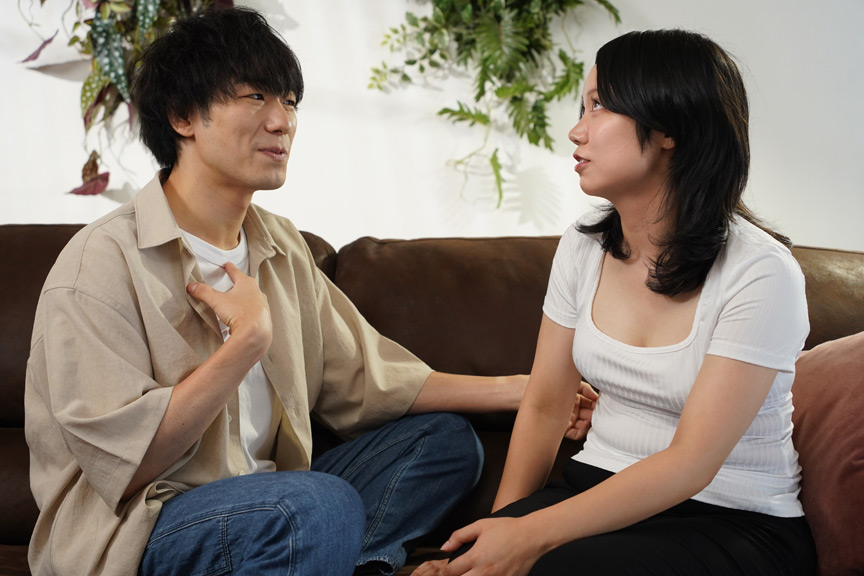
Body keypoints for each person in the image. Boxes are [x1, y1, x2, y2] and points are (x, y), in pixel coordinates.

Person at [24, 8, 597, 576]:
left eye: (291, 102)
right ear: (182, 117)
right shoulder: (102, 262)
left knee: (446, 443)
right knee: (315, 505)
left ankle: (338, 560)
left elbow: (371, 379)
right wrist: (244, 345)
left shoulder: (279, 245)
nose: (282, 122)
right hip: (149, 529)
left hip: (277, 507)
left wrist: (525, 390)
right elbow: (127, 463)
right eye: (255, 97)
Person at [413, 29, 817, 576]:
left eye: (599, 105)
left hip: (730, 517)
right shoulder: (583, 245)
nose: (576, 130)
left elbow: (691, 463)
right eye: (583, 107)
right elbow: (545, 403)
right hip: (594, 490)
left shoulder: (761, 272)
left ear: (670, 127)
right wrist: (494, 536)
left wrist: (526, 537)